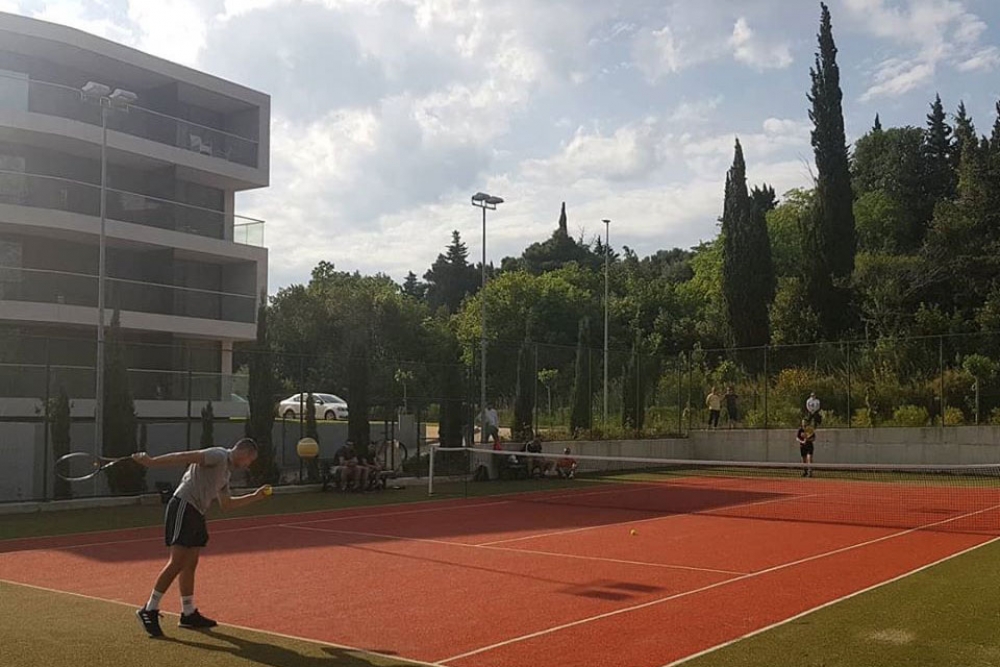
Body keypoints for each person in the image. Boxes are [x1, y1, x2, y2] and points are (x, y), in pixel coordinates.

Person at [132, 438, 269, 638]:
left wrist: (255, 497)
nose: (248, 464)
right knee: (177, 562)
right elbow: (184, 456)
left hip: (196, 512)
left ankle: (188, 613)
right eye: (250, 460)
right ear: (243, 452)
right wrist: (152, 462)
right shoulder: (218, 455)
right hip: (183, 505)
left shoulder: (225, 473)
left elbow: (227, 505)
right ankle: (149, 609)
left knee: (190, 563)